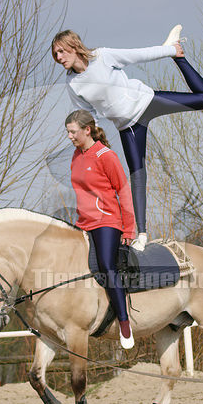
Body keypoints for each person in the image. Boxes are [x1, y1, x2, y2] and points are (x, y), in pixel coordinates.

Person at [52, 26, 203, 251]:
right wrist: (95, 148)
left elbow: (139, 55)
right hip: (128, 127)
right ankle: (142, 235)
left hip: (146, 102)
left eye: (61, 52)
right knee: (137, 177)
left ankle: (179, 56)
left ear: (74, 46)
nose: (58, 58)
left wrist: (168, 50)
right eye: (55, 55)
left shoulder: (103, 57)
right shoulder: (73, 84)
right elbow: (90, 118)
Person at [65, 109, 136, 349]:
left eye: (73, 132)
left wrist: (128, 229)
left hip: (107, 221)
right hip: (83, 222)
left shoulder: (106, 156)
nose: (70, 137)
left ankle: (124, 322)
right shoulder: (76, 156)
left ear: (87, 130)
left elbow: (123, 191)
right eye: (68, 132)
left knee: (107, 266)